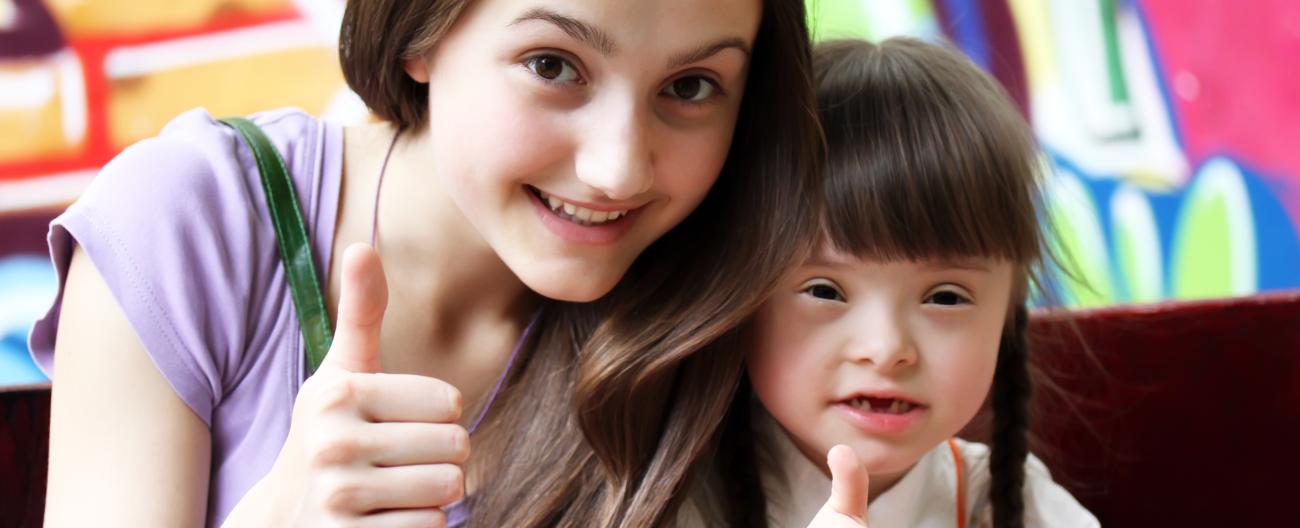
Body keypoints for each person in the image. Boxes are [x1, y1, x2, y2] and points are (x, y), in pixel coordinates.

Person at [30, 0, 820, 525]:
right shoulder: (191, 222)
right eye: (553, 65)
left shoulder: (722, 301)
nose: (619, 169)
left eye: (690, 86)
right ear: (421, 33)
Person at [689, 38, 1099, 527]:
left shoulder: (1024, 507)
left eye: (945, 297)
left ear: (1007, 319)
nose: (886, 350)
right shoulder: (667, 500)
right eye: (825, 290)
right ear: (740, 300)